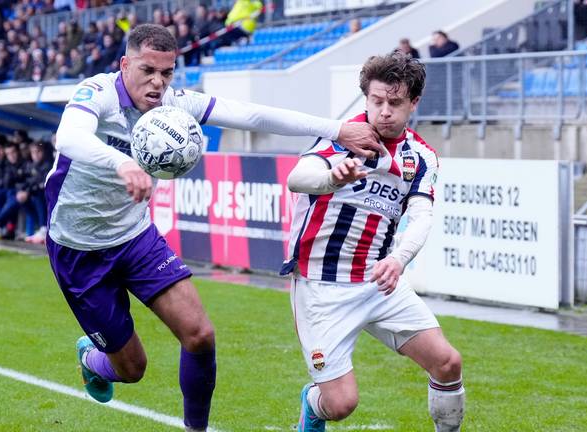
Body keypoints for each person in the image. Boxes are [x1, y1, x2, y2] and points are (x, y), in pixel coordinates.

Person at [49, 23, 382, 432]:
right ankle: (92, 360)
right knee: (132, 368)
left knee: (200, 335)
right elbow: (68, 137)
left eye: (167, 73)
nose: (157, 83)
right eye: (147, 70)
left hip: (135, 237)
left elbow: (252, 114)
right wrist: (120, 162)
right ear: (124, 64)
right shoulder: (97, 93)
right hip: (77, 247)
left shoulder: (172, 104)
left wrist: (337, 129)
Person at [281, 52, 465, 432]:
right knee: (341, 404)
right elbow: (298, 178)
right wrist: (332, 177)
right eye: (376, 101)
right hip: (321, 286)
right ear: (366, 98)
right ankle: (313, 405)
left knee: (448, 363)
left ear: (413, 103)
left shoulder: (421, 156)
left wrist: (399, 258)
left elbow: (421, 216)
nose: (384, 111)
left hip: (379, 282)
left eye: (395, 103)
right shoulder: (342, 136)